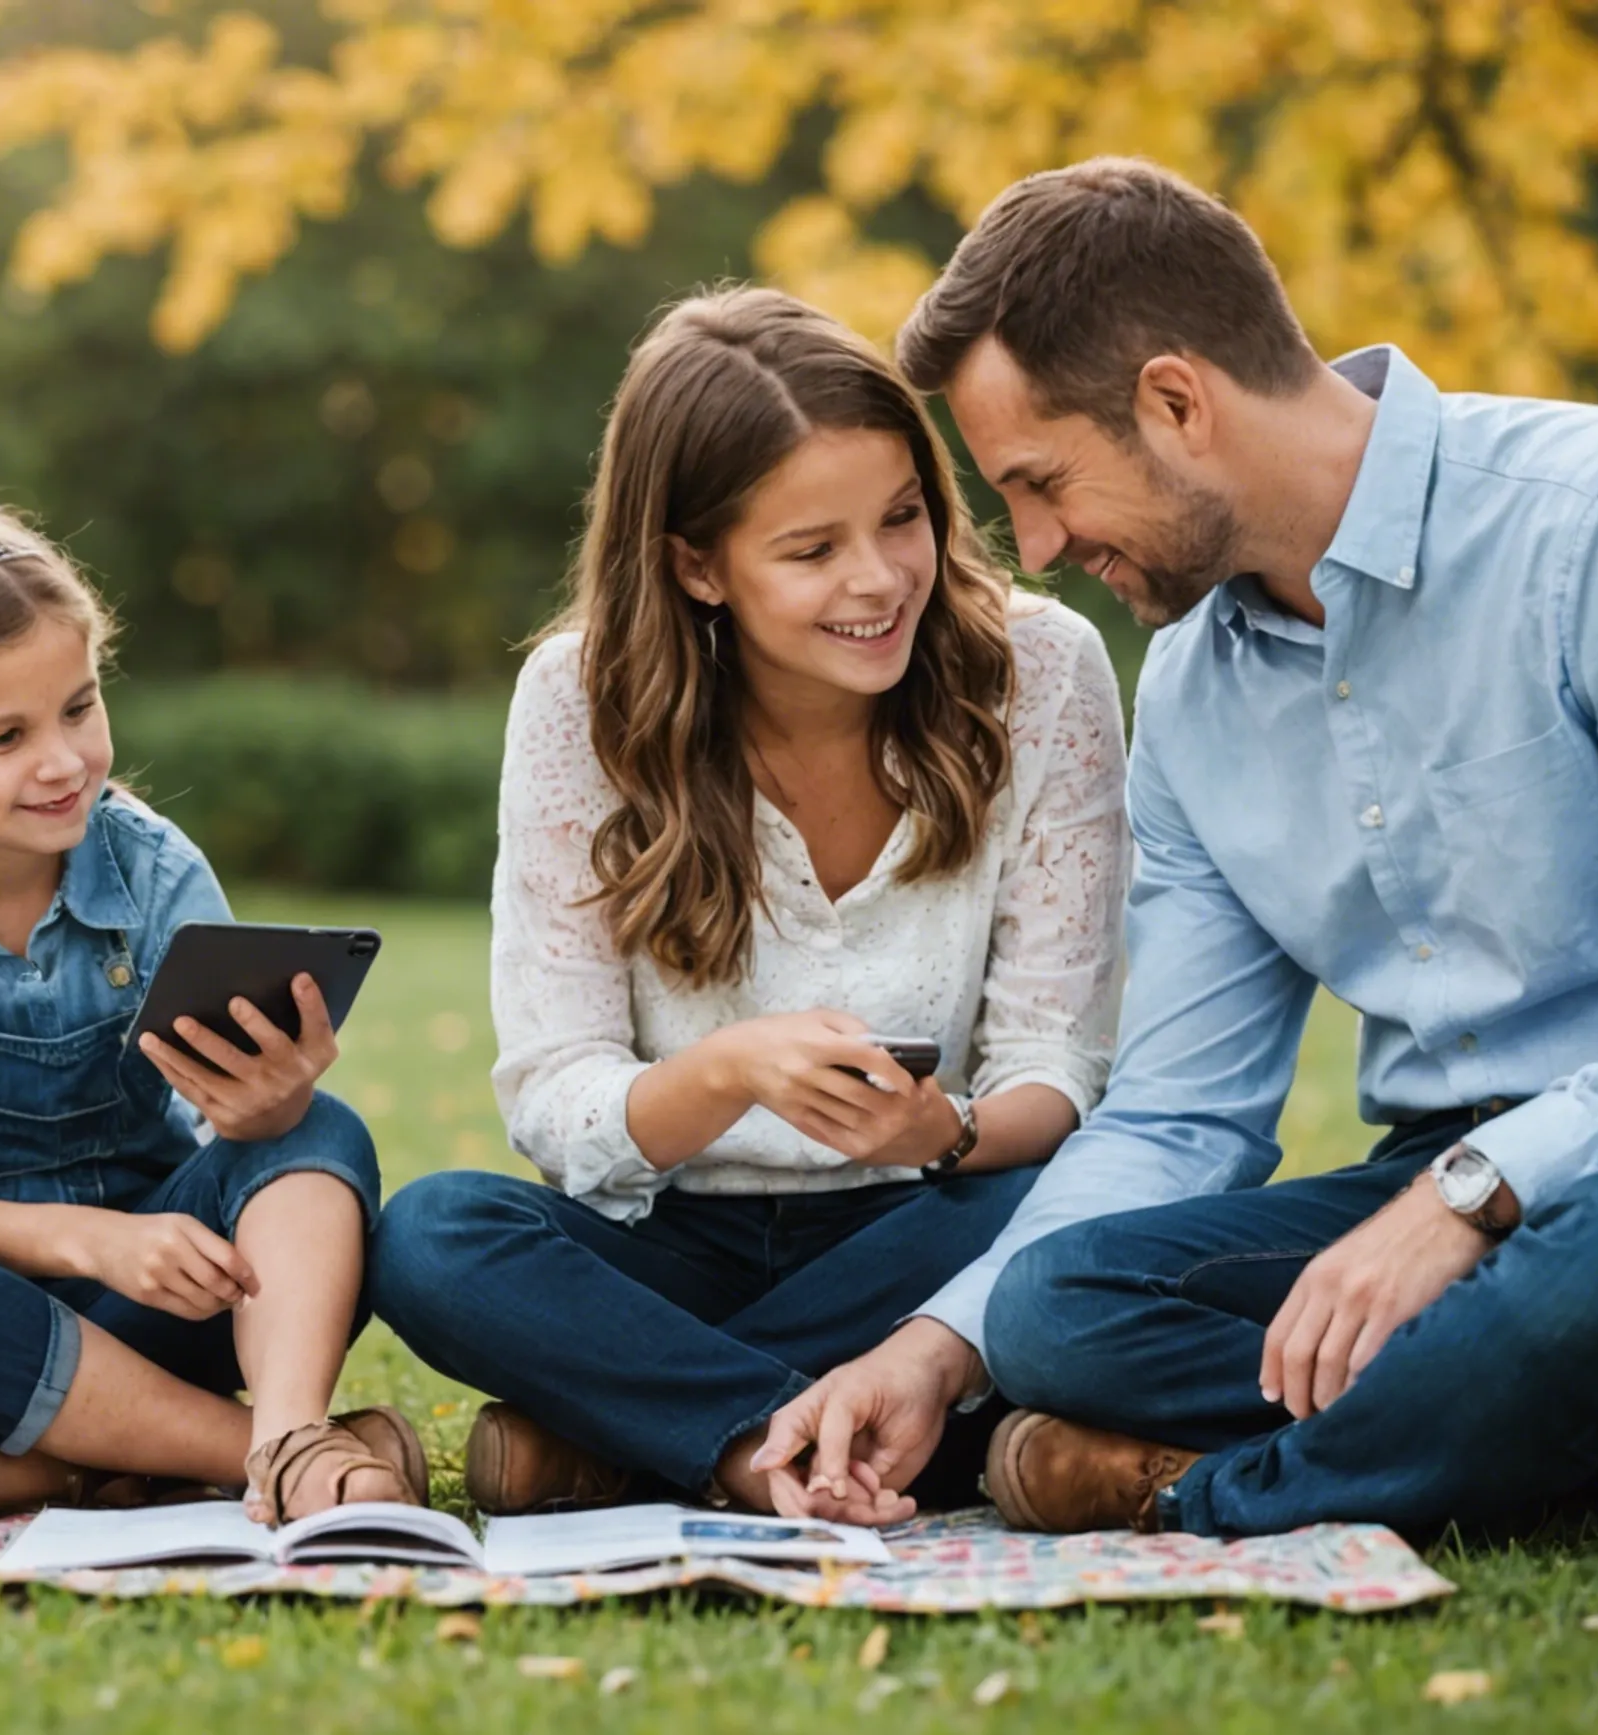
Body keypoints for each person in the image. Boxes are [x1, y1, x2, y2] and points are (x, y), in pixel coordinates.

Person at [758, 157, 1598, 1539]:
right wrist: (938, 1351)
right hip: (1425, 1185)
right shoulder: (1188, 694)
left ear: (1178, 402)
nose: (1041, 547)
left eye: (1042, 482)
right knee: (1059, 1308)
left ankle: (1201, 1487)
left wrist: (1481, 1193)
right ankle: (1489, 1425)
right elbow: (1183, 1112)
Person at [371, 287, 1130, 1522]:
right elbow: (557, 1094)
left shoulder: (1040, 673)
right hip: (670, 1250)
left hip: (931, 1223)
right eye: (812, 548)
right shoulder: (579, 701)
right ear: (694, 564)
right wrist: (728, 1073)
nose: (880, 579)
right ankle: (787, 1446)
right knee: (433, 1236)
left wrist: (937, 1134)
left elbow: (1060, 1065)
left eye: (901, 518)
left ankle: (631, 1436)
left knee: (1092, 1203)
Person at [0, 500, 414, 1532]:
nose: (63, 762)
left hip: (158, 1298)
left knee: (322, 1133)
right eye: (4, 736)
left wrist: (263, 1110)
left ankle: (10, 1468)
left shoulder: (155, 866)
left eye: (79, 708)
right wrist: (81, 1239)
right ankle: (266, 1454)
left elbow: (222, 1141)